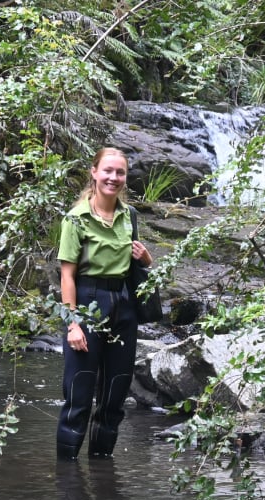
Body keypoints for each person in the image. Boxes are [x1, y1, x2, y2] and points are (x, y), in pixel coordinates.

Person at [55, 147, 152, 460]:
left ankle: (100, 471)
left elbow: (135, 266)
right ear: (94, 172)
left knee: (114, 397)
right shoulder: (75, 220)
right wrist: (73, 324)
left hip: (123, 307)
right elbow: (67, 277)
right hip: (86, 303)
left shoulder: (129, 216)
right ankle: (67, 478)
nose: (114, 178)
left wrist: (147, 259)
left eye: (120, 172)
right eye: (108, 171)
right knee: (79, 397)